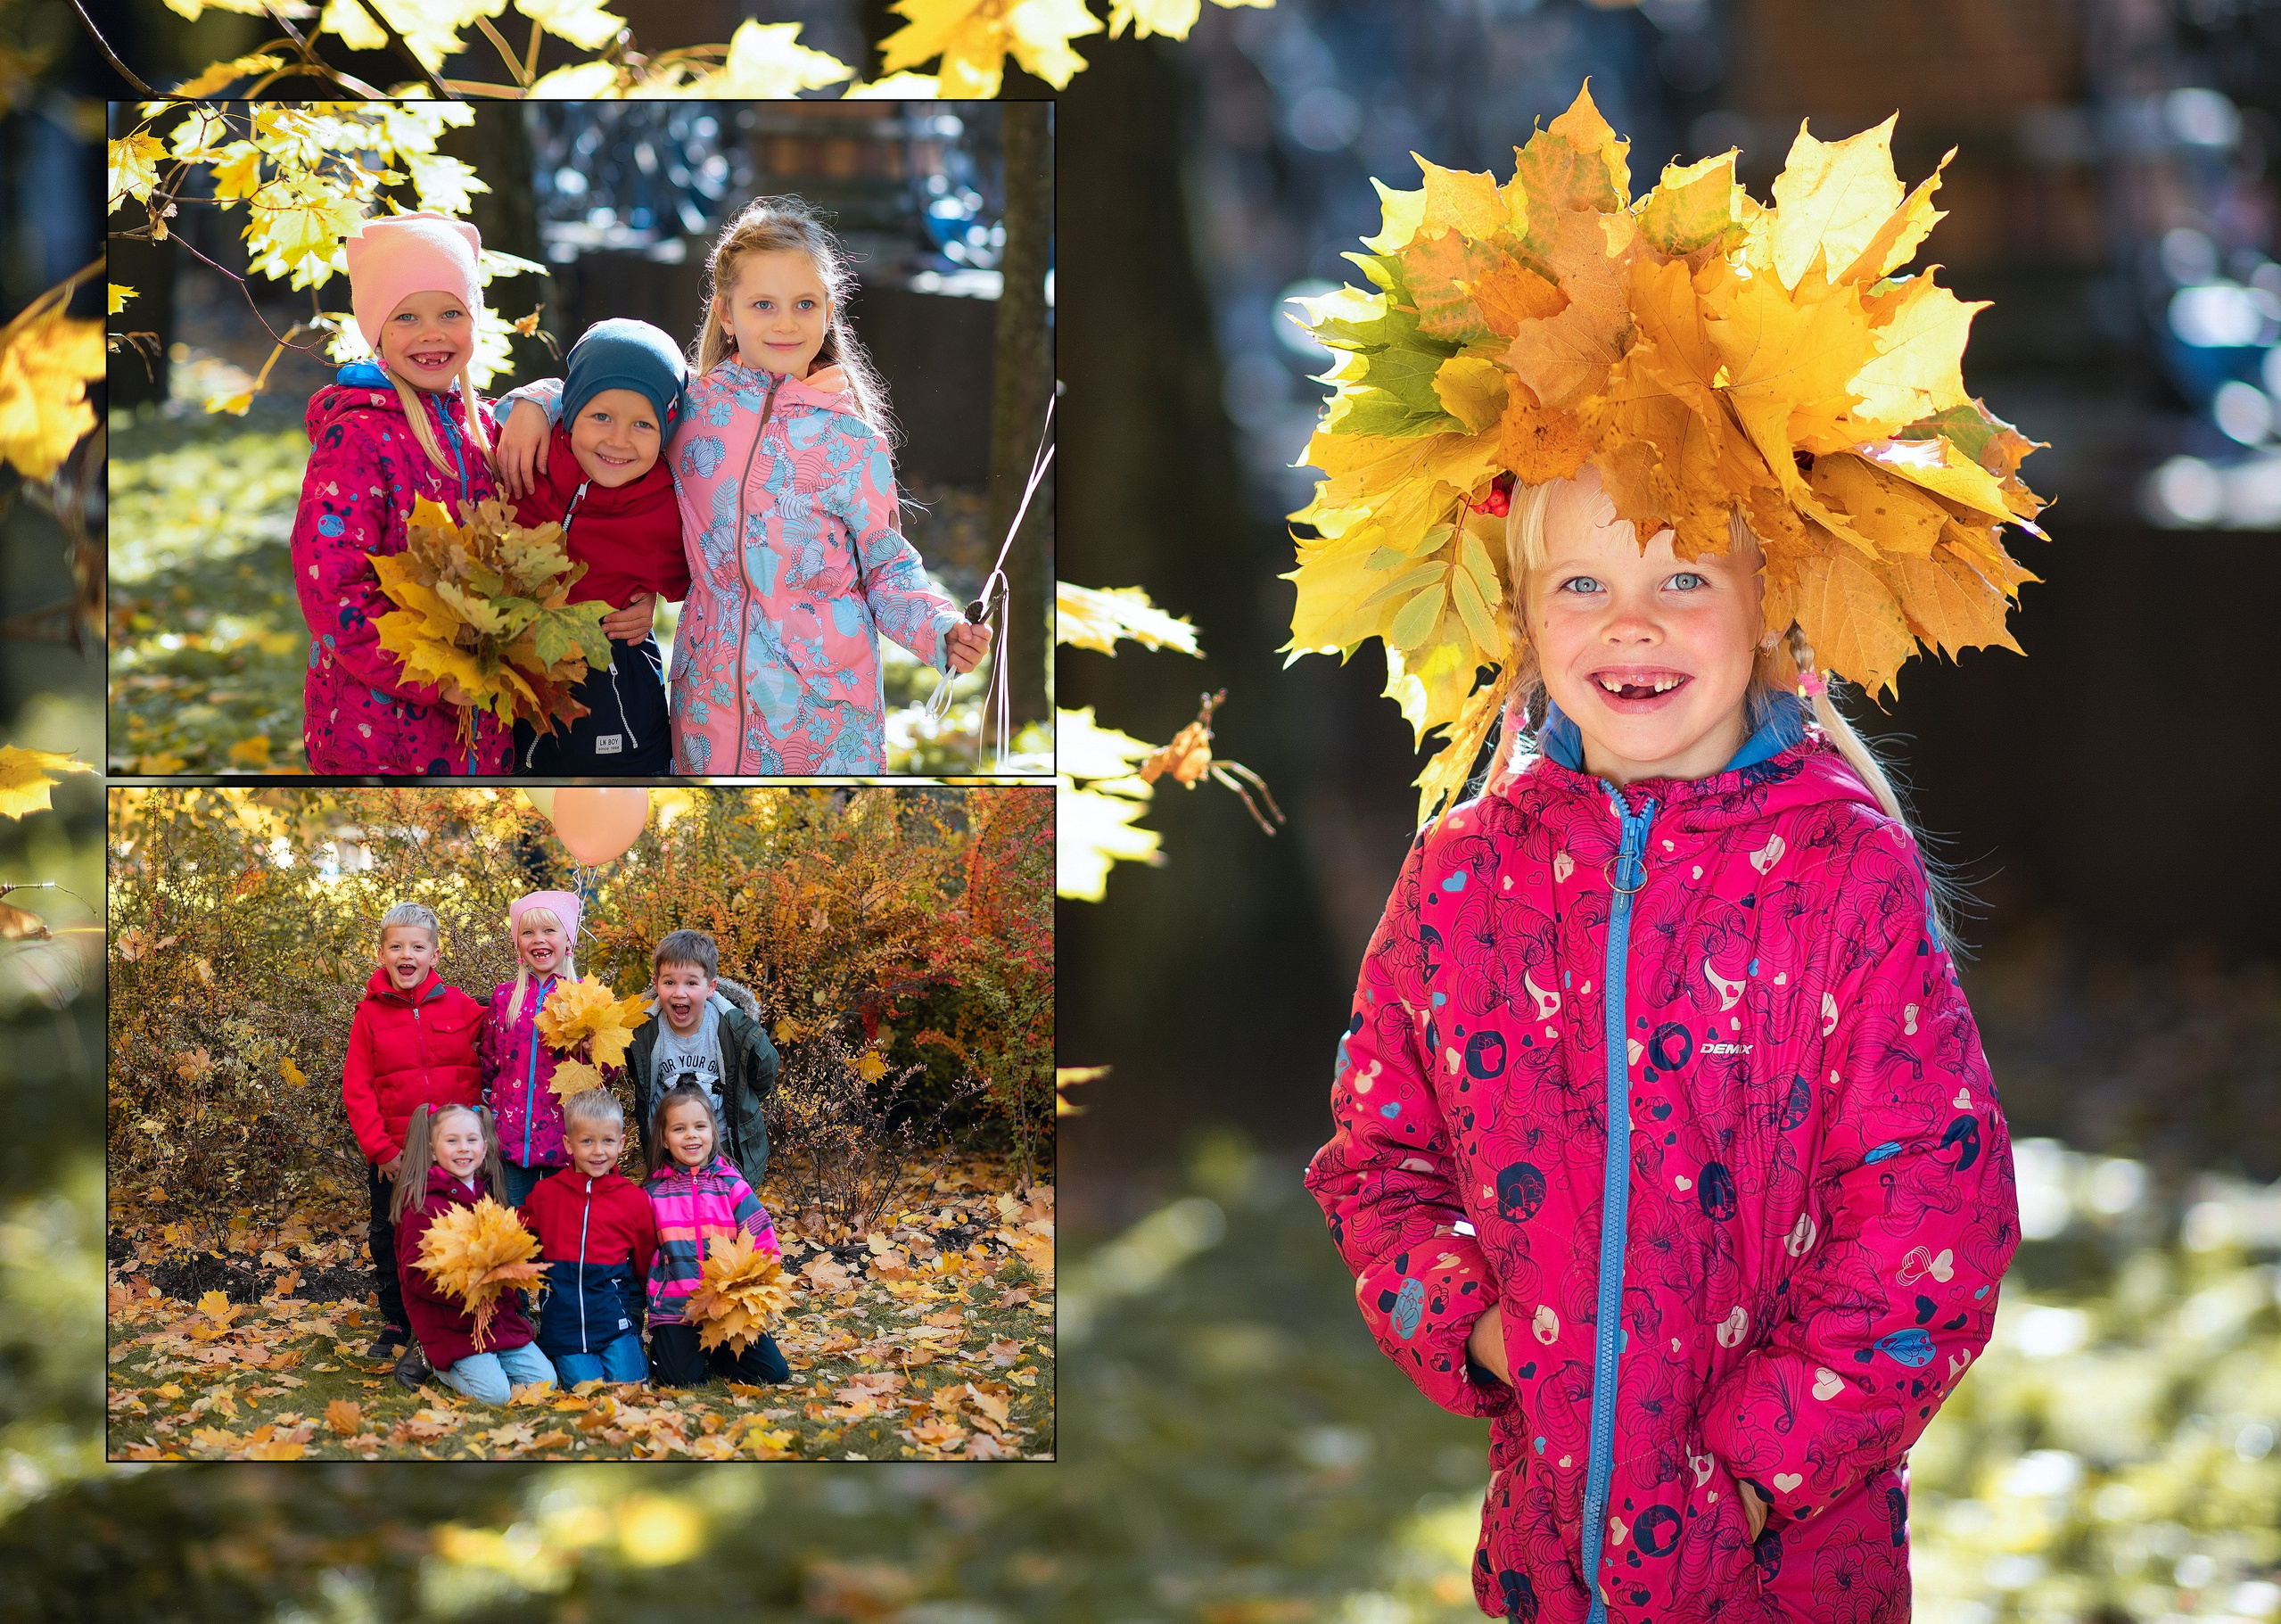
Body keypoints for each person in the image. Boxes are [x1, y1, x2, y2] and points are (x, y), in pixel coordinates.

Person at [1299, 95, 2033, 1622]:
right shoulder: (1460, 879)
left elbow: (1932, 1209)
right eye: (1580, 580)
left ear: (1769, 608)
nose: (1627, 622)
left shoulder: (1840, 877)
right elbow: (1379, 1155)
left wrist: (1762, 1458)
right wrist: (1475, 1330)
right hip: (1542, 1553)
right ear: (1519, 616)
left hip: (1787, 1562)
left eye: (1680, 573)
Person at [493, 194, 993, 774]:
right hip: (709, 701)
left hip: (826, 718)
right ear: (727, 315)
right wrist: (534, 399)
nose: (786, 322)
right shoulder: (691, 409)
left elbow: (887, 567)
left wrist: (940, 628)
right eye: (763, 304)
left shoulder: (851, 442)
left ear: (829, 310)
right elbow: (608, 397)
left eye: (804, 304)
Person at [501, 319, 692, 775]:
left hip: (613, 673)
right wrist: (532, 400)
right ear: (569, 410)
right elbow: (484, 413)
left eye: (642, 424)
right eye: (601, 416)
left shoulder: (668, 502)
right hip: (516, 663)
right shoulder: (530, 457)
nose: (618, 440)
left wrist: (650, 600)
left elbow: (693, 576)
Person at [339, 901, 485, 1385]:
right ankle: (398, 1318)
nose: (407, 954)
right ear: (381, 953)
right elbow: (357, 1087)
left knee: (457, 1234)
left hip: (454, 1155)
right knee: (392, 1237)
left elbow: (500, 1048)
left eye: (417, 947)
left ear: (434, 953)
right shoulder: (370, 1015)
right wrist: (381, 1151)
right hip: (397, 1154)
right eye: (396, 946)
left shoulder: (462, 1007)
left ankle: (463, 1314)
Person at [390, 1102, 556, 1403]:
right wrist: (471, 1288)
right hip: (450, 1323)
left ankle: (491, 1361)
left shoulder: (486, 1195)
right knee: (495, 1396)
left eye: (471, 1140)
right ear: (432, 1149)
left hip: (496, 1321)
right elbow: (413, 1276)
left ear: (485, 1146)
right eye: (451, 1141)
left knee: (545, 1383)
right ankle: (432, 1361)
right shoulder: (423, 1203)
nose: (463, 1149)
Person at [641, 1084, 791, 1389]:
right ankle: (666, 1348)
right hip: (676, 1309)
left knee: (773, 1374)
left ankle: (722, 1354)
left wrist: (755, 1291)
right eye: (679, 1128)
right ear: (665, 1139)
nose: (691, 1135)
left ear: (714, 1132)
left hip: (728, 1308)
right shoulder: (652, 1195)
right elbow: (641, 1256)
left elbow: (762, 1240)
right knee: (682, 1380)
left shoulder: (732, 1186)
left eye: (700, 1126)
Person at [624, 927, 778, 1192]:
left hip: (725, 1147)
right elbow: (638, 1080)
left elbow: (763, 1075)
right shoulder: (644, 1033)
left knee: (727, 1219)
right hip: (669, 1150)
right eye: (669, 982)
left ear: (710, 987)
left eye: (691, 983)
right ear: (656, 982)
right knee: (676, 1218)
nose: (679, 993)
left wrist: (742, 1102)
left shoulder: (734, 1031)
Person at [523, 1089, 656, 1387]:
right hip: (563, 1325)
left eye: (607, 1141)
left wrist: (639, 1307)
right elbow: (521, 1244)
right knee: (588, 1389)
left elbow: (645, 1260)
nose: (598, 1151)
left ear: (621, 1143)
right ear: (569, 1145)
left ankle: (630, 1349)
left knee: (630, 1388)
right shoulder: (546, 1195)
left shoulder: (632, 1200)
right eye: (587, 1141)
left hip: (613, 1319)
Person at [480, 889, 585, 1208]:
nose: (538, 940)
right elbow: (488, 1063)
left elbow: (606, 1072)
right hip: (509, 1141)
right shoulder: (504, 998)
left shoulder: (584, 999)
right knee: (514, 1229)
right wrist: (486, 1118)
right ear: (518, 944)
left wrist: (592, 1049)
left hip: (565, 1140)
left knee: (556, 1231)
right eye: (528, 932)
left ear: (567, 940)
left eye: (549, 930)